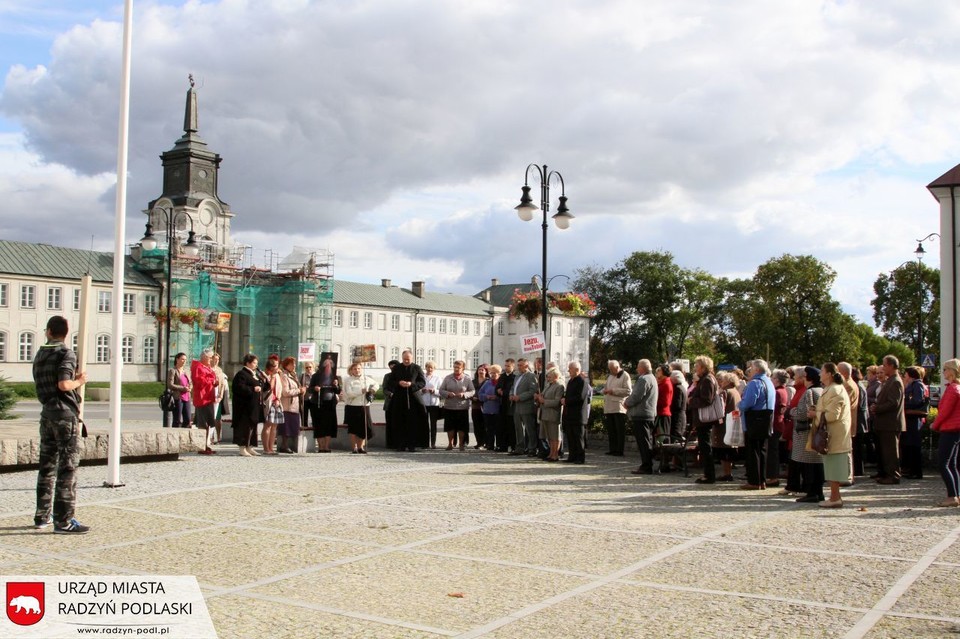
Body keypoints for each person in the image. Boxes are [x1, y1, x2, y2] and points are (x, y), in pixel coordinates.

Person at [32, 315, 89, 533]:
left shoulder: (40, 354)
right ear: (65, 333)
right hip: (64, 415)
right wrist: (80, 381)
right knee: (67, 468)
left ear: (48, 332)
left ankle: (41, 516)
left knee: (46, 467)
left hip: (47, 414)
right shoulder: (65, 353)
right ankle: (63, 520)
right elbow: (64, 384)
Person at [815, 363, 852, 508]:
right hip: (832, 433)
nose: (820, 374)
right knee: (831, 465)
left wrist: (815, 414)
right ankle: (834, 496)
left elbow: (832, 415)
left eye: (822, 371)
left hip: (834, 434)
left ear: (829, 374)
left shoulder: (835, 390)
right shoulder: (831, 389)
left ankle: (835, 498)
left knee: (834, 465)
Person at [738, 359, 775, 490]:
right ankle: (762, 480)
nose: (750, 370)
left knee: (753, 451)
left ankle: (754, 481)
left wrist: (739, 405)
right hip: (767, 418)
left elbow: (748, 403)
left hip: (754, 418)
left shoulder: (754, 383)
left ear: (757, 370)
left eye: (752, 368)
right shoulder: (769, 382)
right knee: (762, 450)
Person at [870, 355, 906, 484]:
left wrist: (877, 408)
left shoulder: (895, 381)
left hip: (891, 423)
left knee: (891, 452)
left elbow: (893, 403)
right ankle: (887, 474)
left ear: (891, 366)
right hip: (886, 423)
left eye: (884, 365)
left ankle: (893, 476)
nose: (883, 367)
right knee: (886, 451)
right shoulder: (891, 380)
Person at [792, 366, 825, 503]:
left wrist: (792, 412)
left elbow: (803, 413)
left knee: (808, 464)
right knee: (817, 464)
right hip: (816, 430)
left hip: (806, 432)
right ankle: (818, 492)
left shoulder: (809, 393)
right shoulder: (821, 390)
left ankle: (812, 492)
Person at [386, 350, 428, 451]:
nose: (406, 361)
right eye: (404, 359)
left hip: (413, 397)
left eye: (408, 359)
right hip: (399, 398)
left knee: (413, 422)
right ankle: (400, 444)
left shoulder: (416, 368)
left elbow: (422, 382)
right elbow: (391, 381)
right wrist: (399, 383)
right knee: (399, 422)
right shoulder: (397, 368)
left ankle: (412, 444)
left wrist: (412, 384)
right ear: (402, 358)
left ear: (412, 358)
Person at [689, 356, 722, 485]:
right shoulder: (706, 379)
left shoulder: (707, 380)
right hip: (702, 419)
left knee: (705, 446)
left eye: (697, 366)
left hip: (705, 419)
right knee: (704, 446)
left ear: (703, 367)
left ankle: (709, 475)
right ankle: (707, 474)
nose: (695, 368)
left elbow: (707, 400)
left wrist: (692, 401)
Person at [932, 358, 960, 507]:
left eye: (945, 369)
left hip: (950, 429)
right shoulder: (957, 388)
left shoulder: (952, 389)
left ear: (951, 371)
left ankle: (952, 496)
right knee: (953, 464)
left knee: (944, 464)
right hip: (956, 430)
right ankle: (956, 494)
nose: (943, 372)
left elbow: (944, 412)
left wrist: (935, 425)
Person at [625, 359, 658, 475]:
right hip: (649, 414)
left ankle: (646, 465)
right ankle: (647, 464)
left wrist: (626, 402)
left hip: (641, 415)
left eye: (638, 367)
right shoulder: (653, 378)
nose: (637, 369)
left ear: (643, 368)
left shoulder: (644, 379)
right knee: (647, 441)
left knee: (643, 442)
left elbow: (636, 396)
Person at [342, 361, 379, 454]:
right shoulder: (348, 380)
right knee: (353, 428)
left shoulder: (366, 378)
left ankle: (360, 447)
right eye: (355, 369)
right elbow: (349, 393)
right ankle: (354, 447)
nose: (357, 370)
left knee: (364, 428)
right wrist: (360, 391)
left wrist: (372, 390)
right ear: (351, 370)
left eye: (359, 368)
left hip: (364, 406)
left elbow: (376, 384)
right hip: (352, 406)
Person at [439, 360, 475, 451]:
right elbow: (441, 390)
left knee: (461, 427)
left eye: (458, 367)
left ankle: (461, 444)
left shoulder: (467, 379)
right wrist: (447, 393)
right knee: (450, 426)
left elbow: (472, 391)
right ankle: (450, 444)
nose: (456, 369)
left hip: (462, 407)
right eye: (455, 367)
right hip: (449, 406)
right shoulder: (447, 378)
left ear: (463, 368)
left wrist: (464, 395)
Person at [232, 354, 262, 457]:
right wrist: (252, 389)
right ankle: (242, 447)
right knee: (244, 426)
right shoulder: (242, 374)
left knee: (252, 426)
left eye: (256, 363)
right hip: (244, 407)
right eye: (254, 363)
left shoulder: (254, 374)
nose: (256, 365)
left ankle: (250, 446)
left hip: (253, 406)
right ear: (248, 363)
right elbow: (238, 388)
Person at [309, 356, 341, 453]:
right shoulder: (315, 376)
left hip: (330, 403)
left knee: (328, 425)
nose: (328, 367)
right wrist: (315, 388)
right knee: (319, 425)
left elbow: (338, 391)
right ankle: (321, 446)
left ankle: (326, 446)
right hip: (318, 403)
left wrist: (336, 385)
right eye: (326, 365)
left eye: (330, 365)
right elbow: (310, 389)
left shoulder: (334, 376)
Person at [191, 348, 220, 455]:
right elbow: (199, 382)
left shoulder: (206, 367)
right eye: (210, 357)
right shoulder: (198, 367)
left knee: (208, 423)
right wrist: (211, 380)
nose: (211, 359)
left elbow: (210, 380)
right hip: (202, 398)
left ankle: (205, 445)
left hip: (208, 398)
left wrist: (215, 381)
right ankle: (201, 446)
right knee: (202, 424)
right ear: (204, 357)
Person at [901, 366, 928, 479]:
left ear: (910, 375)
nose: (904, 376)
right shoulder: (913, 385)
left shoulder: (917, 385)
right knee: (909, 444)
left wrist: (904, 404)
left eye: (906, 374)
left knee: (914, 445)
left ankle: (916, 471)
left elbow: (917, 400)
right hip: (910, 419)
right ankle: (911, 470)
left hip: (914, 419)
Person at [561, 361, 590, 464]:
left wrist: (567, 401)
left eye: (570, 369)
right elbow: (568, 394)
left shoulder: (582, 382)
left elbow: (580, 397)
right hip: (569, 414)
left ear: (576, 369)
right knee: (570, 437)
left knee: (578, 438)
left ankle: (580, 458)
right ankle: (572, 456)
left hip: (578, 415)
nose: (568, 371)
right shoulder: (570, 381)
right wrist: (564, 398)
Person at [510, 358, 539, 456]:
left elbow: (532, 391)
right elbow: (513, 388)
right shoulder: (517, 376)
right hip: (516, 406)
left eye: (521, 365)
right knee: (518, 428)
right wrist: (511, 395)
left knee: (529, 429)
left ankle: (532, 448)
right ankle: (520, 448)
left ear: (526, 366)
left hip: (526, 405)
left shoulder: (531, 376)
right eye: (518, 365)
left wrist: (520, 397)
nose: (518, 367)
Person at [602, 360, 632, 456]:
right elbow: (606, 386)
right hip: (609, 406)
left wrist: (613, 391)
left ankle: (619, 450)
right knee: (611, 430)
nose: (610, 371)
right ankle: (612, 449)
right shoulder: (610, 376)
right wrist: (604, 390)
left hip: (619, 407)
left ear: (617, 367)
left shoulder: (625, 375)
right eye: (609, 369)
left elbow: (628, 391)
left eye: (611, 369)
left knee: (619, 430)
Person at [714, 372, 739, 482]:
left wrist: (718, 421)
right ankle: (728, 471)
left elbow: (721, 409)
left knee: (724, 449)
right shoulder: (736, 392)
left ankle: (726, 473)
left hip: (725, 423)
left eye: (723, 380)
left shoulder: (726, 392)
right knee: (730, 448)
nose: (721, 382)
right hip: (734, 421)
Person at [536, 367, 565, 461]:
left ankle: (555, 454)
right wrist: (538, 397)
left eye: (549, 377)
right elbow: (543, 395)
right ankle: (551, 453)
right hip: (545, 413)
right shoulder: (549, 385)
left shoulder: (559, 386)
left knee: (555, 436)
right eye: (547, 377)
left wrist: (544, 401)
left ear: (556, 376)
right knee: (549, 436)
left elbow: (557, 402)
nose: (547, 379)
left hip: (553, 414)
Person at [768, 369, 790, 487]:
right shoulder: (783, 391)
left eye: (773, 377)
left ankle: (773, 477)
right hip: (778, 423)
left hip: (775, 423)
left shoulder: (778, 392)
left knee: (772, 452)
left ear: (776, 380)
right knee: (773, 450)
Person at [278, 357, 304, 454]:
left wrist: (302, 390)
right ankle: (284, 445)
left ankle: (289, 445)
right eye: (292, 364)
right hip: (287, 405)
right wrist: (299, 391)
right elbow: (285, 392)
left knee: (292, 426)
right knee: (286, 428)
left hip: (294, 405)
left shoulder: (293, 375)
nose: (294, 366)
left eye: (295, 364)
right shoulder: (284, 376)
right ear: (286, 365)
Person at [260, 359, 282, 455]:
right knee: (267, 425)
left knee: (274, 426)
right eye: (276, 366)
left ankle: (271, 447)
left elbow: (279, 389)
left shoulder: (277, 375)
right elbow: (269, 388)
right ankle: (266, 448)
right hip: (267, 402)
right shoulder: (264, 376)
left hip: (276, 402)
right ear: (270, 368)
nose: (278, 368)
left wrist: (278, 398)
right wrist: (272, 377)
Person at [495, 359, 517, 452]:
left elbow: (514, 389)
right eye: (505, 365)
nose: (506, 367)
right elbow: (497, 387)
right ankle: (502, 445)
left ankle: (513, 446)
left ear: (513, 367)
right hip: (502, 404)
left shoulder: (515, 377)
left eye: (508, 366)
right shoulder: (502, 376)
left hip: (510, 405)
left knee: (511, 426)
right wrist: (498, 391)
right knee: (501, 426)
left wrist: (504, 392)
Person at [165, 352, 191, 428]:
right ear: (177, 359)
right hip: (178, 397)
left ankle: (184, 435)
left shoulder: (187, 371)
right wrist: (183, 388)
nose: (184, 361)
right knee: (177, 419)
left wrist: (190, 387)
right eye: (182, 359)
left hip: (187, 397)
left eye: (185, 360)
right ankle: (175, 435)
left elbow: (190, 382)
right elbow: (170, 384)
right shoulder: (173, 370)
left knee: (188, 419)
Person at [421, 361, 443, 449]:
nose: (429, 369)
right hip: (424, 403)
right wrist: (421, 391)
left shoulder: (437, 378)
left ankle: (433, 443)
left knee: (433, 424)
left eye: (431, 368)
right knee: (424, 424)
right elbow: (417, 389)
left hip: (434, 404)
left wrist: (434, 391)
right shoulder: (422, 377)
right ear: (425, 368)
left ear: (434, 369)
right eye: (428, 367)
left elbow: (441, 391)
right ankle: (424, 443)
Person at [479, 365, 501, 450]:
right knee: (489, 429)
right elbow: (480, 394)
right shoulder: (487, 383)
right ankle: (490, 445)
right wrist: (487, 397)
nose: (492, 375)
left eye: (494, 373)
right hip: (487, 409)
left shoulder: (500, 383)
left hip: (498, 409)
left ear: (499, 373)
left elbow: (504, 395)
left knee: (498, 429)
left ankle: (499, 445)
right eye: (491, 373)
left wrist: (497, 397)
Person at [654, 363, 673, 453]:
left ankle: (665, 458)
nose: (657, 373)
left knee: (663, 437)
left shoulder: (666, 384)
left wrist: (653, 402)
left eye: (659, 371)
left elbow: (666, 402)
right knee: (660, 437)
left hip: (663, 414)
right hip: (660, 413)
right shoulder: (662, 383)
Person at [211, 353, 229, 445]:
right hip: (209, 396)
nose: (216, 361)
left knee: (218, 418)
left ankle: (218, 436)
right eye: (214, 359)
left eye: (218, 359)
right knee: (210, 417)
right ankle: (211, 436)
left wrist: (221, 395)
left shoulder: (219, 370)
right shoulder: (208, 369)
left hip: (218, 396)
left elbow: (222, 385)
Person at [471, 364, 488, 449]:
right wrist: (472, 397)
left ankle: (485, 442)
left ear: (486, 372)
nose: (481, 371)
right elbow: (469, 391)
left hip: (485, 405)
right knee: (476, 425)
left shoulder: (488, 381)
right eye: (479, 370)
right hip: (475, 406)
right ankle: (479, 442)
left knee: (485, 425)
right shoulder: (473, 381)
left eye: (483, 370)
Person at [299, 362, 315, 430]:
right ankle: (304, 431)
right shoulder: (302, 376)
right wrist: (302, 388)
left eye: (310, 367)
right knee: (304, 418)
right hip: (305, 399)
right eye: (307, 367)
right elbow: (299, 386)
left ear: (313, 367)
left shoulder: (315, 376)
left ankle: (314, 433)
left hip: (314, 399)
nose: (308, 369)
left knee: (314, 417)